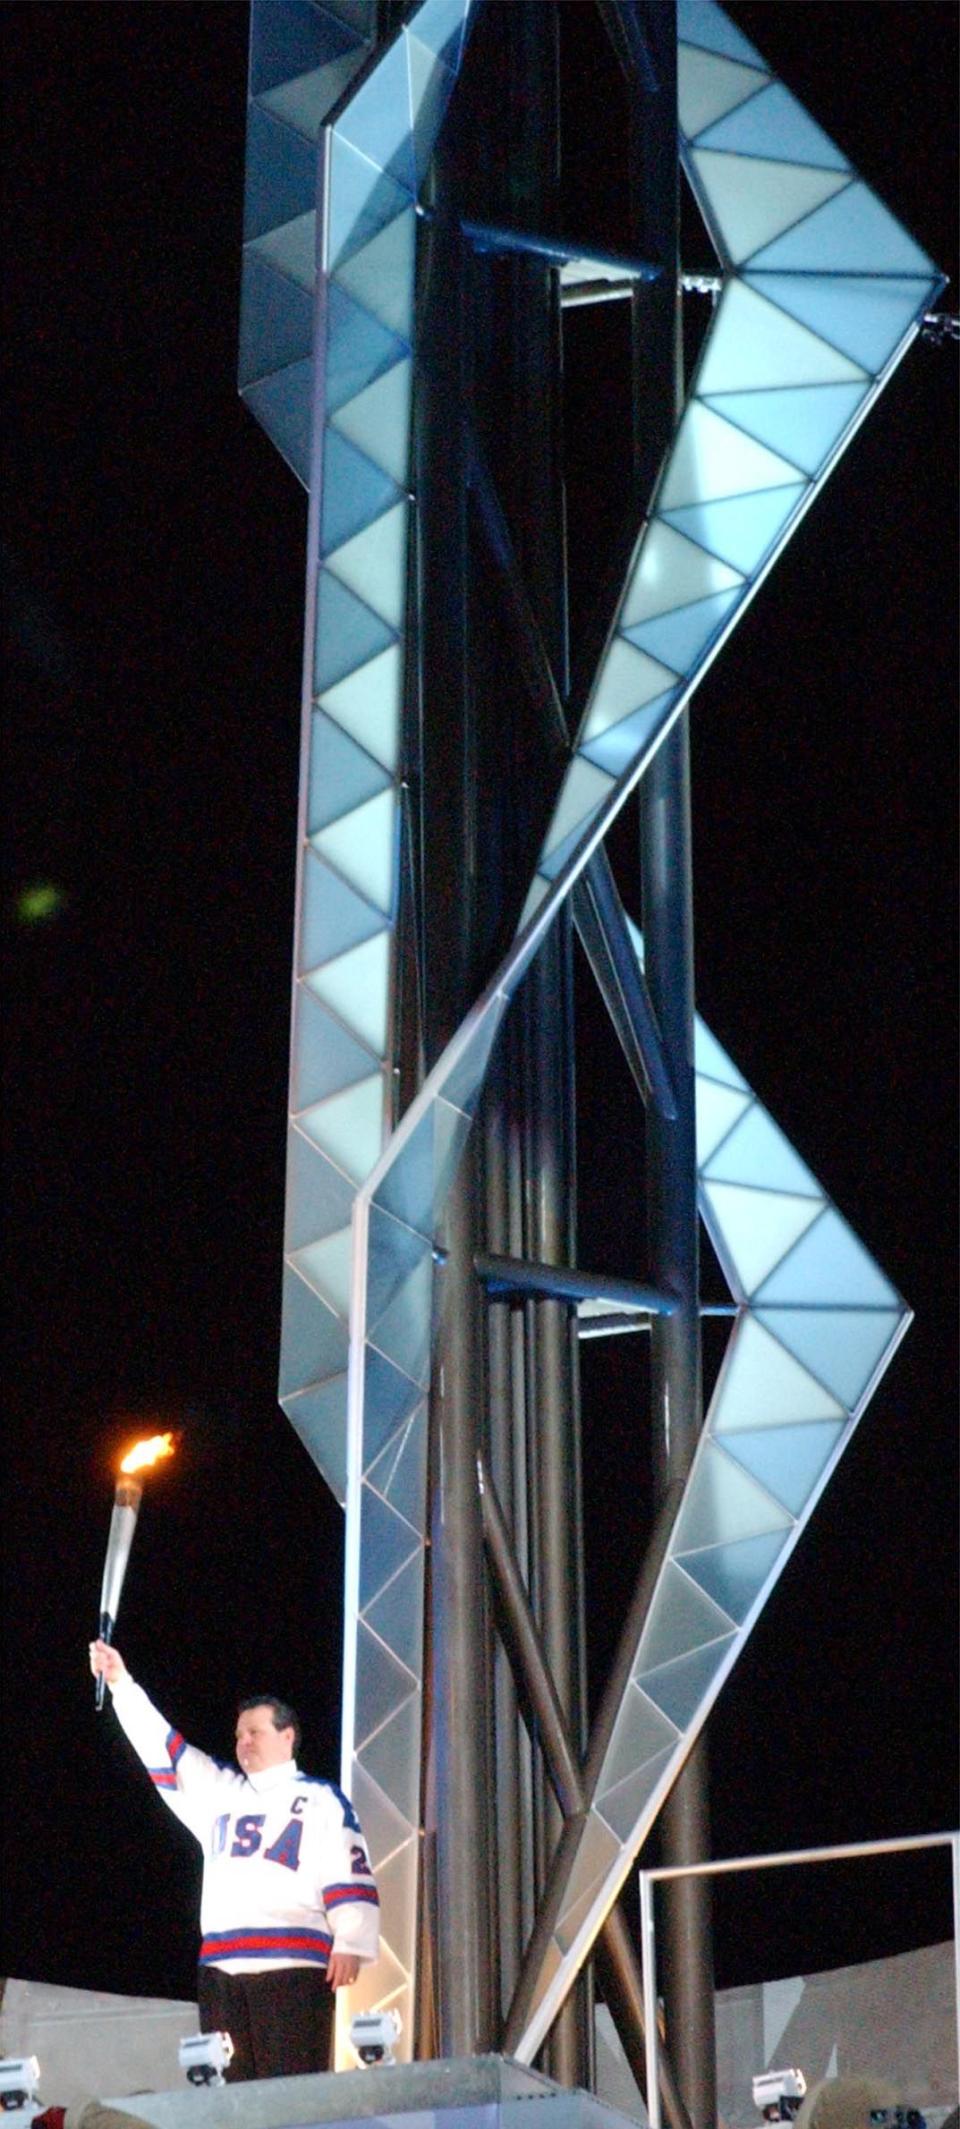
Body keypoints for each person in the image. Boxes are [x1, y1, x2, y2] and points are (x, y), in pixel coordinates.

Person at [88, 1639, 379, 2082]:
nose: (243, 1742)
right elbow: (161, 1745)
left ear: (287, 1736)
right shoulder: (219, 1791)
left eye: (254, 1732)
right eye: (239, 1734)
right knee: (229, 2097)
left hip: (293, 1965)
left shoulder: (321, 1798)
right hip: (221, 1967)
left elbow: (349, 1865)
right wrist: (121, 1683)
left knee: (291, 2092)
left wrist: (351, 1939)